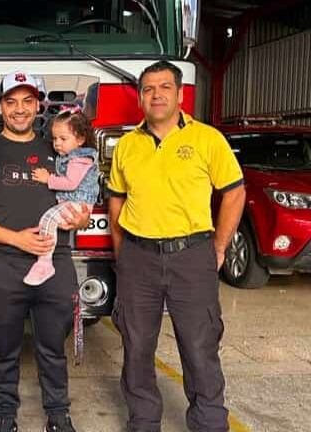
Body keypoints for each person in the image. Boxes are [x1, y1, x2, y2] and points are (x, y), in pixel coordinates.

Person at [107, 60, 245, 432]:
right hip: (138, 257)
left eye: (165, 87)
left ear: (180, 94)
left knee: (199, 348)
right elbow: (116, 200)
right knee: (136, 349)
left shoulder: (207, 139)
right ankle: (144, 422)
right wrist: (124, 254)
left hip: (192, 255)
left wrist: (218, 248)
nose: (156, 95)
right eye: (149, 88)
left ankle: (209, 423)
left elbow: (234, 193)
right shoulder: (127, 145)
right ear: (140, 97)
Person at [0, 71, 90, 432]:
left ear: (38, 105)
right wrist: (16, 239)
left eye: (27, 101)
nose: (20, 109)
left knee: (53, 347)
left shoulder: (56, 149)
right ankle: (5, 416)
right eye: (12, 101)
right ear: (1, 106)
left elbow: (81, 199)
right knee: (4, 349)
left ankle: (58, 415)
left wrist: (79, 218)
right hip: (4, 264)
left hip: (55, 264)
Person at [25, 108, 99, 286]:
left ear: (80, 139)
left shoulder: (80, 159)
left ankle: (45, 262)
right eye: (55, 138)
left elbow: (70, 183)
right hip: (72, 202)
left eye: (63, 139)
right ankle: (44, 262)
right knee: (48, 221)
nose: (57, 143)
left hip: (78, 203)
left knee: (47, 219)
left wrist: (47, 178)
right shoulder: (67, 155)